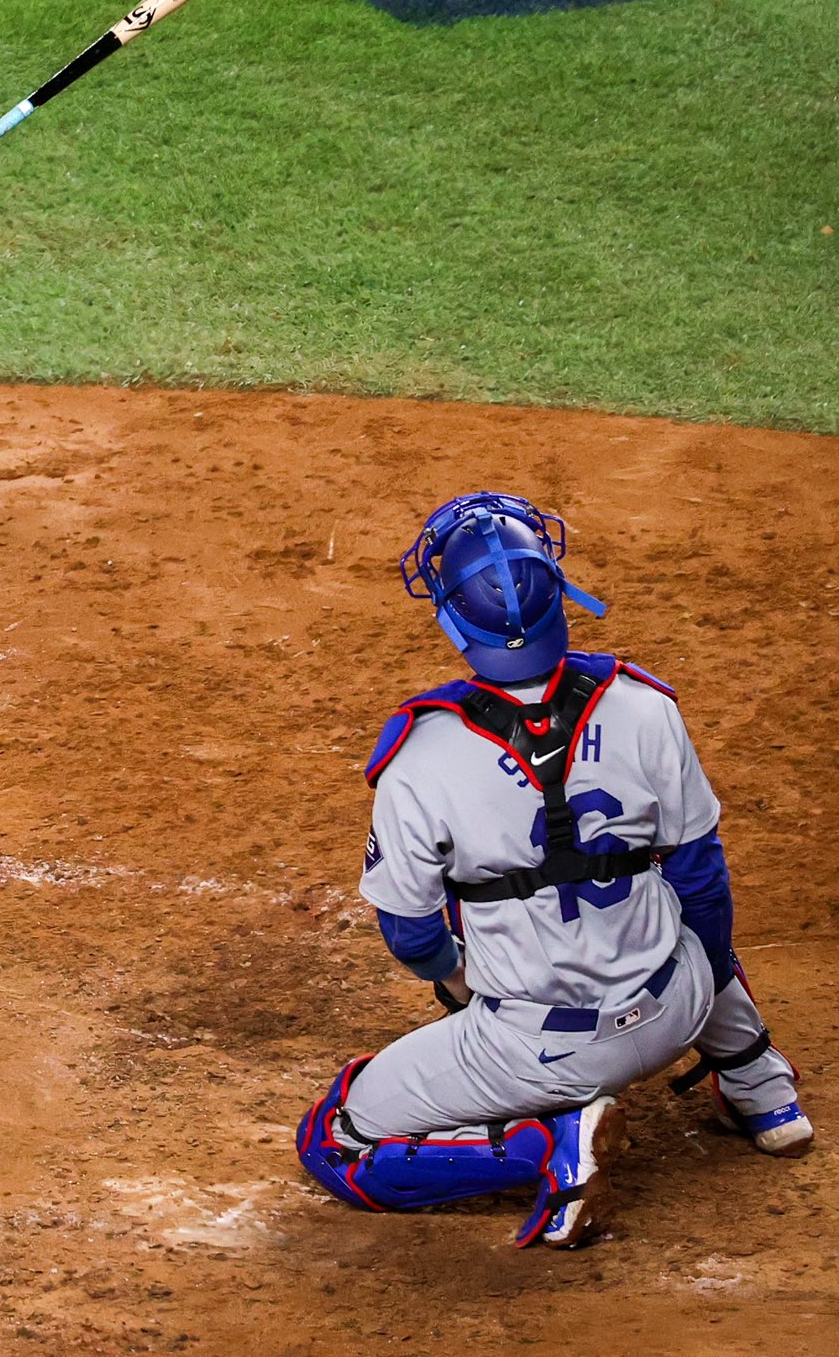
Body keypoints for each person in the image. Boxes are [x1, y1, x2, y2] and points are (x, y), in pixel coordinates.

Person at [296, 491, 811, 1247]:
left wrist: (456, 982)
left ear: (453, 619)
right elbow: (704, 883)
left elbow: (409, 932)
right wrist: (695, 992)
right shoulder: (645, 705)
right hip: (679, 1007)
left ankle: (550, 1148)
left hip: (541, 1052)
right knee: (683, 901)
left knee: (332, 1137)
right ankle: (764, 1093)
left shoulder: (420, 756)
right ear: (559, 592)